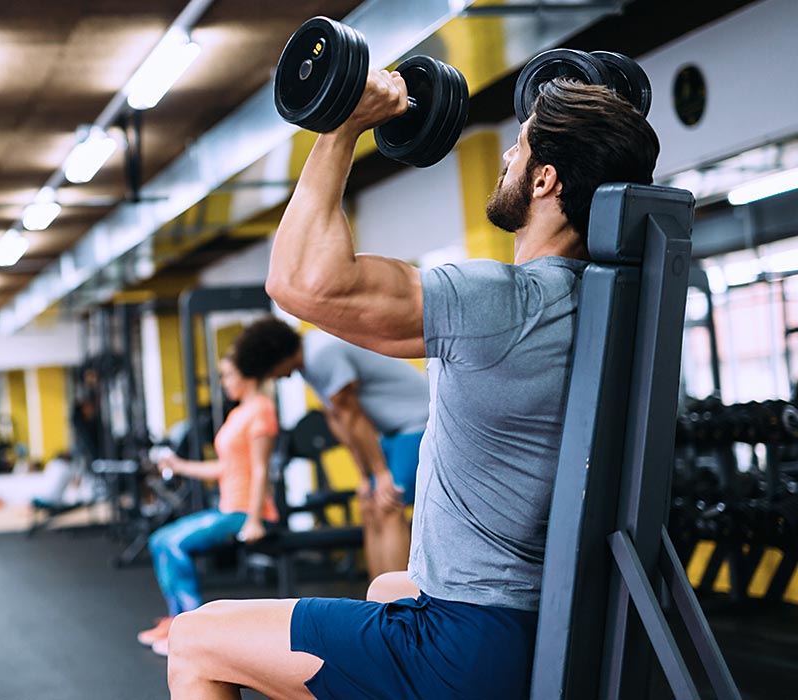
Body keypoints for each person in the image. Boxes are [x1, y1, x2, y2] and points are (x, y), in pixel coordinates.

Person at [166, 70, 659, 699]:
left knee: (194, 638)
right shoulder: (607, 306)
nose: (508, 154)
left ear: (545, 180)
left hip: (464, 648)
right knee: (385, 586)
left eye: (522, 145)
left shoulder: (504, 303)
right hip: (553, 624)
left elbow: (298, 280)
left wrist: (343, 125)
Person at [233, 317, 429, 580]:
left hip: (419, 422)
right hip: (393, 432)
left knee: (388, 505)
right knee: (369, 506)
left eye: (269, 372)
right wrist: (363, 476)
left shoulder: (321, 353)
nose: (274, 378)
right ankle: (377, 601)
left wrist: (381, 474)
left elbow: (353, 416)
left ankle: (397, 606)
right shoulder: (308, 364)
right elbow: (338, 420)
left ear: (274, 357)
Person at [137, 325, 280, 657]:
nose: (224, 382)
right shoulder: (239, 413)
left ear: (248, 375)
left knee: (173, 543)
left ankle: (192, 629)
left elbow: (260, 468)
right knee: (159, 539)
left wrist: (255, 520)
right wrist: (180, 464)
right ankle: (176, 620)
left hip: (246, 512)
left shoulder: (261, 409)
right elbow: (224, 468)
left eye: (229, 375)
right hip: (229, 507)